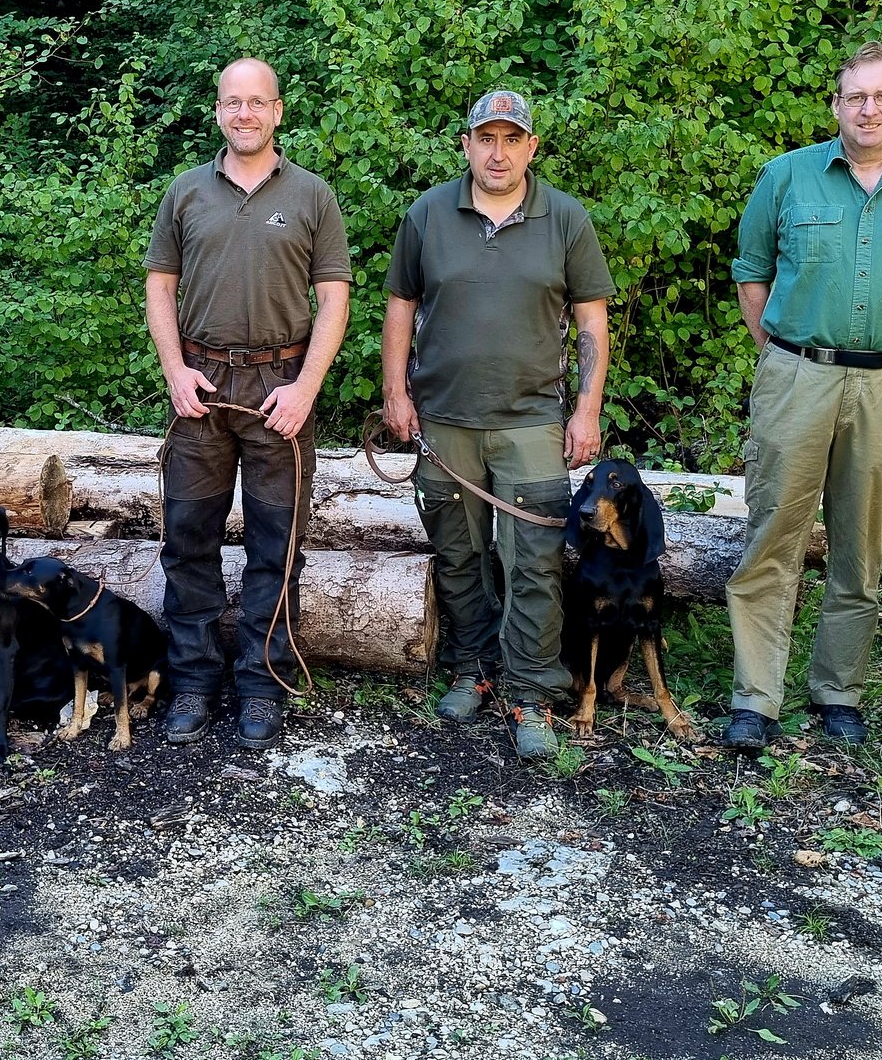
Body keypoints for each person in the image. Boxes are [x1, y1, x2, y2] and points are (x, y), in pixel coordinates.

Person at [723, 39, 882, 753]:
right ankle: (756, 698)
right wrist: (779, 358)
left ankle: (838, 693)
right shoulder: (785, 177)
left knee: (860, 548)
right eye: (854, 96)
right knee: (772, 536)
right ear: (836, 105)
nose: (868, 109)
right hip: (797, 377)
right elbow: (752, 273)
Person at [382, 89, 615, 758]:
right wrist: (394, 391)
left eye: (513, 139)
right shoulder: (429, 213)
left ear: (531, 148)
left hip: (531, 422)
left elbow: (591, 318)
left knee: (535, 562)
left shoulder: (565, 219)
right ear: (466, 144)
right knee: (459, 555)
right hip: (445, 420)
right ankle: (472, 669)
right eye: (487, 138)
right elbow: (401, 304)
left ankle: (530, 693)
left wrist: (588, 407)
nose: (499, 152)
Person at [146, 57, 351, 750]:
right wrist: (175, 371)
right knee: (189, 542)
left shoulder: (314, 195)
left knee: (276, 546)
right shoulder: (185, 193)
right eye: (232, 103)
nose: (244, 114)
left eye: (257, 103)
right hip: (201, 390)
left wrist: (306, 389)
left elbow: (334, 300)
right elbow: (160, 288)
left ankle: (263, 686)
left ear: (278, 111)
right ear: (217, 112)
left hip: (280, 391)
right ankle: (195, 683)